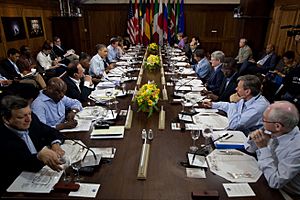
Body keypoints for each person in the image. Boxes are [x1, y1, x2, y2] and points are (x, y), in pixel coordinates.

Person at [0, 95, 65, 194]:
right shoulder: (3, 137)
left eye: (29, 113)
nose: (28, 119)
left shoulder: (31, 118)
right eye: (20, 117)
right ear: (6, 119)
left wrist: (55, 144)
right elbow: (22, 163)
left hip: (43, 174)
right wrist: (39, 156)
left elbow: (51, 132)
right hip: (16, 186)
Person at [245, 101, 300, 197]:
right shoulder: (277, 130)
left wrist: (263, 148)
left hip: (285, 193)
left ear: (278, 126)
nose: (262, 122)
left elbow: (275, 182)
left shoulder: (297, 148)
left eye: (264, 120)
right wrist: (254, 139)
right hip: (264, 177)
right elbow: (250, 149)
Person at [203, 75, 270, 135]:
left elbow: (234, 125)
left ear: (247, 91)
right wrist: (213, 104)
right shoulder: (247, 97)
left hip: (249, 140)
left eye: (238, 87)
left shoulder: (258, 107)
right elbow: (229, 106)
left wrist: (233, 103)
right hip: (238, 133)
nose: (236, 89)